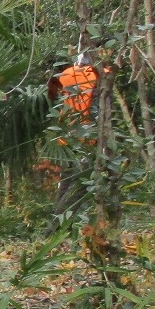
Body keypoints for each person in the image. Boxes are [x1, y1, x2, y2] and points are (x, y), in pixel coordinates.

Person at [48, 53, 101, 214]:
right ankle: (59, 222)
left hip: (66, 135)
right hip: (87, 137)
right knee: (80, 184)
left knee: (66, 182)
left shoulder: (64, 75)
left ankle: (56, 223)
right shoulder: (99, 74)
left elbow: (50, 95)